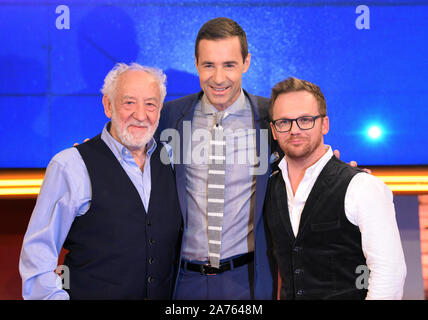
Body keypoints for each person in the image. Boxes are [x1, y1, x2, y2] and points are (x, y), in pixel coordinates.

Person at [19, 63, 183, 300]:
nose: (140, 114)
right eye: (129, 102)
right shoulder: (70, 165)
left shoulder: (173, 161)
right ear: (108, 105)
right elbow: (38, 255)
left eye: (150, 104)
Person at [158, 17, 275, 299]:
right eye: (209, 65)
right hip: (183, 281)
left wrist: (342, 176)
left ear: (246, 62)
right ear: (196, 63)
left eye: (229, 65)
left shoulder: (271, 116)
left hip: (246, 280)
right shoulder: (169, 116)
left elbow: (306, 155)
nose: (219, 78)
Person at [263, 76, 407, 300]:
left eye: (305, 119)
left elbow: (389, 274)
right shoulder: (270, 189)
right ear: (274, 130)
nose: (294, 130)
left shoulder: (362, 186)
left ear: (325, 124)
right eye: (284, 122)